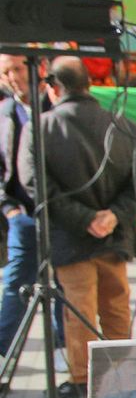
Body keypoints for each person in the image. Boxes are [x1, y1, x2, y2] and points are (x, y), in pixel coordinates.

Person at [20, 57, 136, 398]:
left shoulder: (40, 127)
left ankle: (84, 381)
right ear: (88, 85)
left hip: (71, 238)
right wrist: (113, 214)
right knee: (116, 309)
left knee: (78, 312)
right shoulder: (122, 124)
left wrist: (84, 219)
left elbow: (35, 184)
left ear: (53, 87)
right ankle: (123, 379)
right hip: (115, 235)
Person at [0, 54, 63, 369]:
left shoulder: (57, 106)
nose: (12, 77)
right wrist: (8, 207)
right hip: (22, 215)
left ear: (36, 68)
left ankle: (63, 350)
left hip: (61, 213)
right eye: (5, 71)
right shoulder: (4, 114)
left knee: (63, 282)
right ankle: (3, 354)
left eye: (16, 68)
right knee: (16, 284)